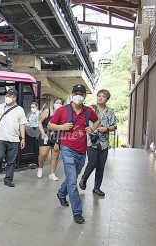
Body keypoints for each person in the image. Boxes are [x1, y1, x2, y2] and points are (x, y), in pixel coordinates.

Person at [48, 84, 100, 224]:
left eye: (81, 93)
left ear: (84, 96)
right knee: (72, 181)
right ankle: (77, 212)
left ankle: (60, 193)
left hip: (82, 151)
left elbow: (97, 120)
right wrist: (61, 127)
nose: (78, 95)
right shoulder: (63, 110)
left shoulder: (88, 111)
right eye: (76, 93)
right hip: (67, 149)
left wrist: (93, 128)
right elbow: (50, 125)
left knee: (73, 176)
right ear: (72, 94)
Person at [79, 89, 117, 196]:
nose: (100, 98)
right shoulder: (90, 109)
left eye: (103, 96)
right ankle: (83, 179)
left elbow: (114, 126)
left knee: (101, 166)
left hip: (104, 143)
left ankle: (96, 188)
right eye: (99, 96)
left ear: (107, 99)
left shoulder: (110, 111)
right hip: (91, 141)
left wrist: (107, 129)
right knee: (92, 162)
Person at [0, 88, 27, 187]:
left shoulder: (19, 110)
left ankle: (8, 179)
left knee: (11, 160)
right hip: (1, 137)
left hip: (14, 138)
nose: (7, 97)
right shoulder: (0, 107)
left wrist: (23, 138)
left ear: (14, 98)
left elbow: (22, 124)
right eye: (6, 95)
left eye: (10, 96)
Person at [36, 98, 63, 180]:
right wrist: (42, 132)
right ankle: (40, 167)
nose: (58, 104)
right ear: (53, 103)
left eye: (60, 103)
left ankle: (52, 173)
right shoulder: (48, 111)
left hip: (57, 136)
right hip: (45, 135)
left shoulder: (63, 113)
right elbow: (40, 122)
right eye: (56, 102)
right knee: (43, 154)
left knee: (55, 154)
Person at [27, 101, 40, 168]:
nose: (32, 108)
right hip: (31, 130)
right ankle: (34, 161)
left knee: (36, 147)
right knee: (32, 147)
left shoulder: (39, 113)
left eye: (33, 107)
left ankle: (37, 162)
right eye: (31, 107)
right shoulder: (31, 114)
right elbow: (29, 122)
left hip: (37, 130)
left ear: (37, 107)